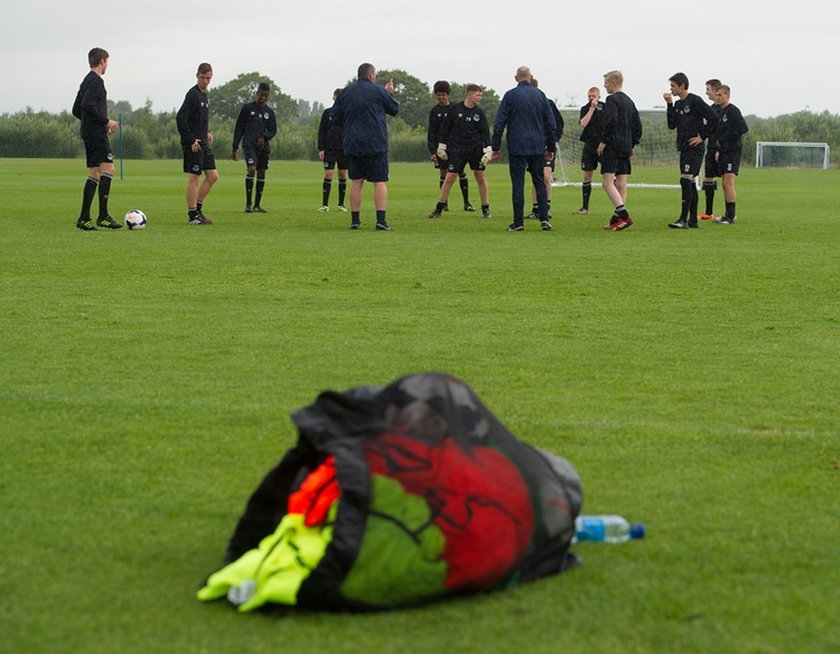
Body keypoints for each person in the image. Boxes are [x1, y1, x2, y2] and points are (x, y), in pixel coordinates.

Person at [330, 63, 399, 230]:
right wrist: (389, 93)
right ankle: (381, 220)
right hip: (376, 143)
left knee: (356, 181)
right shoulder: (379, 91)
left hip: (353, 143)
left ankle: (355, 220)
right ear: (372, 75)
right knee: (380, 181)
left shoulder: (346, 92)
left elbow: (335, 116)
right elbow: (394, 109)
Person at [491, 66, 557, 232]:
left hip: (516, 146)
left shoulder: (510, 96)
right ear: (530, 77)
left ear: (516, 78)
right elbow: (551, 124)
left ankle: (518, 222)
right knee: (539, 182)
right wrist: (550, 147)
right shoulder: (541, 95)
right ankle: (544, 218)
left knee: (518, 184)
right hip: (537, 145)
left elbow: (499, 123)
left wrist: (496, 146)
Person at [71, 47, 121, 230]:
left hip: (90, 131)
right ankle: (103, 216)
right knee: (109, 169)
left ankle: (84, 218)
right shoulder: (97, 81)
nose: (107, 65)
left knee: (95, 173)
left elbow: (76, 109)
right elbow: (87, 105)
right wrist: (105, 122)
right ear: (102, 61)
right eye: (107, 61)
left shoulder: (85, 81)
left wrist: (93, 123)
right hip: (95, 134)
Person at [663, 72, 719, 229]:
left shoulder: (695, 101)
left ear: (682, 85)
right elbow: (671, 125)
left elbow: (714, 118)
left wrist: (702, 136)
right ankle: (693, 220)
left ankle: (683, 219)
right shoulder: (679, 104)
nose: (671, 89)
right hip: (684, 148)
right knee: (690, 182)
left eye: (673, 86)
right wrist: (669, 105)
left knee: (685, 179)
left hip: (695, 148)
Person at [427, 84, 492, 219]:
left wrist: (488, 150)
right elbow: (445, 129)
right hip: (457, 149)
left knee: (480, 176)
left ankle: (486, 208)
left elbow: (485, 132)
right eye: (478, 95)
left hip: (475, 149)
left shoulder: (479, 112)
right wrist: (441, 147)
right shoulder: (455, 109)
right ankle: (439, 207)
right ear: (470, 94)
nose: (480, 98)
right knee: (450, 177)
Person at [597, 70, 642, 231]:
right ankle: (615, 220)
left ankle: (624, 216)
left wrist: (603, 141)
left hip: (613, 146)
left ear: (614, 83)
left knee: (607, 182)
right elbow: (638, 126)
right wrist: (632, 144)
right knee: (621, 183)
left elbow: (610, 122)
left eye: (606, 82)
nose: (604, 85)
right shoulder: (630, 102)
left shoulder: (611, 100)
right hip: (625, 147)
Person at [177, 62, 217, 225]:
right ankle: (192, 215)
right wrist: (191, 139)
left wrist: (205, 132)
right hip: (194, 144)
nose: (205, 81)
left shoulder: (205, 95)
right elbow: (181, 119)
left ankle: (198, 209)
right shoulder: (192, 95)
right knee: (194, 178)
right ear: (197, 76)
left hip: (203, 143)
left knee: (213, 176)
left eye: (208, 78)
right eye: (202, 77)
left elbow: (197, 119)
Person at [428, 81, 473, 212]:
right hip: (440, 148)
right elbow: (431, 132)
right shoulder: (434, 111)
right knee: (443, 173)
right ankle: (444, 202)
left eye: (443, 94)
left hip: (456, 146)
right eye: (438, 95)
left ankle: (466, 202)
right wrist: (432, 150)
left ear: (448, 94)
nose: (440, 97)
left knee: (460, 171)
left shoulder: (455, 108)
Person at [232, 83, 277, 213]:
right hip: (249, 144)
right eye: (261, 95)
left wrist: (265, 137)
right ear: (257, 92)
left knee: (261, 172)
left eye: (266, 96)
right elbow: (239, 128)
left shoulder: (269, 112)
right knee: (251, 169)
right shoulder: (247, 108)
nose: (263, 98)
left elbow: (273, 130)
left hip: (264, 147)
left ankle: (257, 204)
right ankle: (248, 203)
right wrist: (234, 147)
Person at [526, 78, 563, 220]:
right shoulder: (526, 106)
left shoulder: (548, 103)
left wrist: (553, 142)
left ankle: (546, 208)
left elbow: (558, 124)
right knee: (536, 177)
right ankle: (536, 209)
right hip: (532, 147)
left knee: (546, 175)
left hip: (547, 147)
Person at [712, 85, 749, 224]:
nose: (717, 97)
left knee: (729, 183)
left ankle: (731, 216)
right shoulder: (720, 112)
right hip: (724, 152)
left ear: (727, 95)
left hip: (733, 151)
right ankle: (727, 214)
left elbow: (743, 128)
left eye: (720, 95)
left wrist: (726, 139)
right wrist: (718, 150)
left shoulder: (733, 111)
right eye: (716, 95)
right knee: (724, 184)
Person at [316, 89, 348, 212]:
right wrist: (321, 148)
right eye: (337, 96)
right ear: (333, 97)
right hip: (330, 148)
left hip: (344, 148)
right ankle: (325, 205)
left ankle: (341, 204)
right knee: (329, 173)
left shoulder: (346, 113)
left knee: (342, 174)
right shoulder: (327, 113)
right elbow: (322, 131)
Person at [577, 86, 605, 215]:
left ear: (599, 96)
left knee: (610, 175)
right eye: (589, 96)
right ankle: (585, 207)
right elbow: (583, 123)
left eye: (593, 96)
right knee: (587, 175)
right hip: (589, 145)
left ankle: (618, 205)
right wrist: (591, 109)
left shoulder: (606, 107)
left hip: (604, 145)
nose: (591, 98)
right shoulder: (585, 108)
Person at [699, 78, 723, 220]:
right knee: (708, 178)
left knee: (726, 181)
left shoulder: (724, 109)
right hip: (711, 147)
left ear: (715, 90)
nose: (706, 92)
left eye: (708, 89)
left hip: (720, 149)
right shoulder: (711, 109)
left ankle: (728, 214)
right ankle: (708, 212)